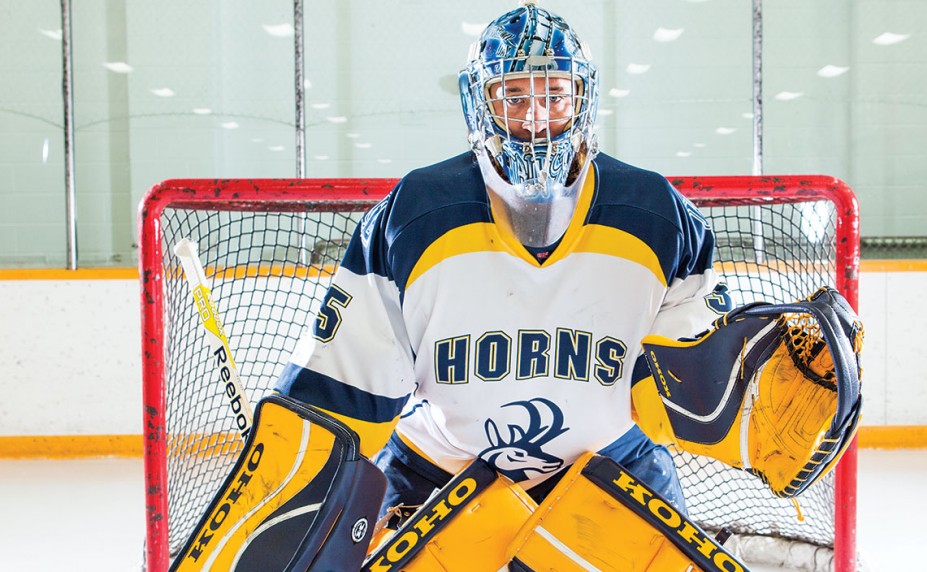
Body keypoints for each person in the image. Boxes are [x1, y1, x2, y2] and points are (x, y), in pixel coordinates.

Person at [275, 0, 730, 526]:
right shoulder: (417, 211)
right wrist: (294, 460)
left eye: (554, 96)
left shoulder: (654, 211)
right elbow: (347, 383)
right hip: (439, 471)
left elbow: (691, 391)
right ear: (480, 103)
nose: (535, 117)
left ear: (582, 98)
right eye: (513, 95)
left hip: (611, 467)